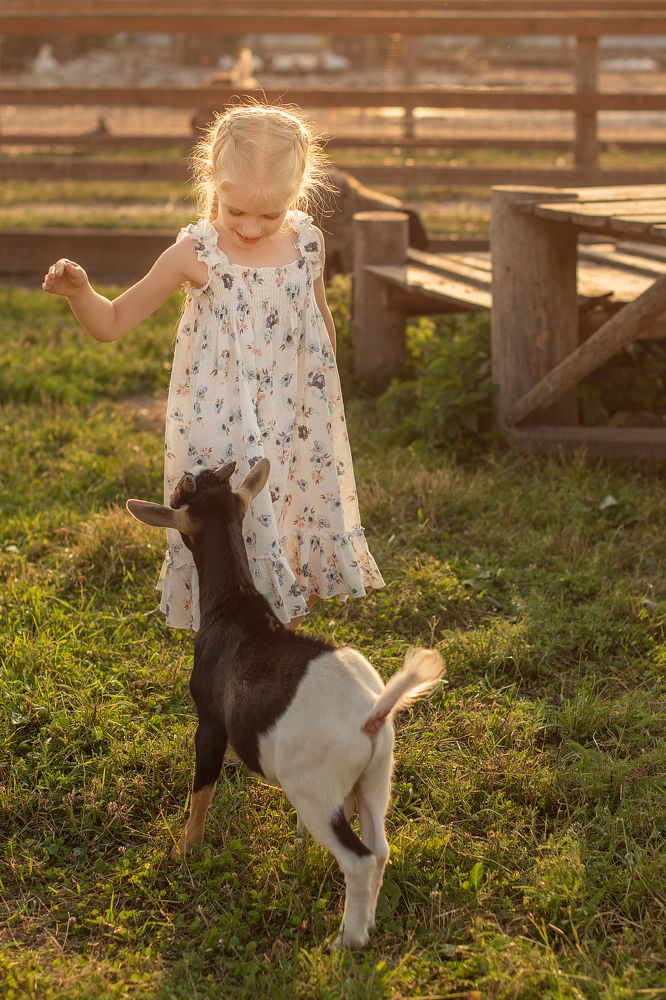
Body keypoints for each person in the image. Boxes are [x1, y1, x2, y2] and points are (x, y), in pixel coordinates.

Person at [43, 102, 385, 629]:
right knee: (230, 536)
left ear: (298, 193)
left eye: (269, 215)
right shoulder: (196, 253)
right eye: (237, 211)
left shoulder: (306, 244)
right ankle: (230, 643)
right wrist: (81, 293)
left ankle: (277, 644)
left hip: (291, 423)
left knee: (286, 523)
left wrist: (320, 408)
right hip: (221, 425)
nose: (251, 227)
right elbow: (112, 322)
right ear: (213, 183)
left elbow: (320, 326)